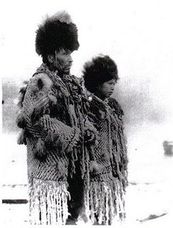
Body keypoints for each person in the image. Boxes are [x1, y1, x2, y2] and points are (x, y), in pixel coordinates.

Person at [16, 11, 96, 225]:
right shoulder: (40, 82)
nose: (70, 58)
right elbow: (34, 122)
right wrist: (71, 136)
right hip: (50, 168)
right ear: (51, 55)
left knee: (72, 217)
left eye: (71, 53)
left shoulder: (71, 83)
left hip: (74, 169)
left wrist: (87, 128)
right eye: (65, 53)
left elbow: (80, 115)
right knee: (52, 217)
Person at [82, 55, 128, 225]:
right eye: (109, 83)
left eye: (114, 82)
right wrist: (92, 161)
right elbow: (87, 140)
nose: (113, 86)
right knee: (98, 213)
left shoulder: (113, 106)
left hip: (112, 169)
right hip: (97, 171)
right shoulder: (89, 106)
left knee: (109, 213)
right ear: (97, 82)